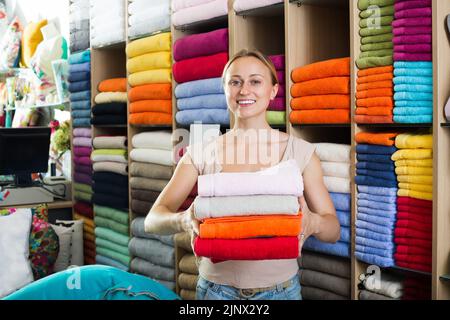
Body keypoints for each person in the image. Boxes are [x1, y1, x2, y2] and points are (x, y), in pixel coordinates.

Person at [145, 49, 340, 300]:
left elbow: (333, 230)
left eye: (255, 81)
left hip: (281, 292)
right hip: (216, 292)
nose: (244, 90)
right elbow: (152, 220)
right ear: (225, 90)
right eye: (235, 82)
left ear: (273, 90)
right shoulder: (201, 151)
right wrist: (183, 220)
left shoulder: (299, 152)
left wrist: (313, 222)